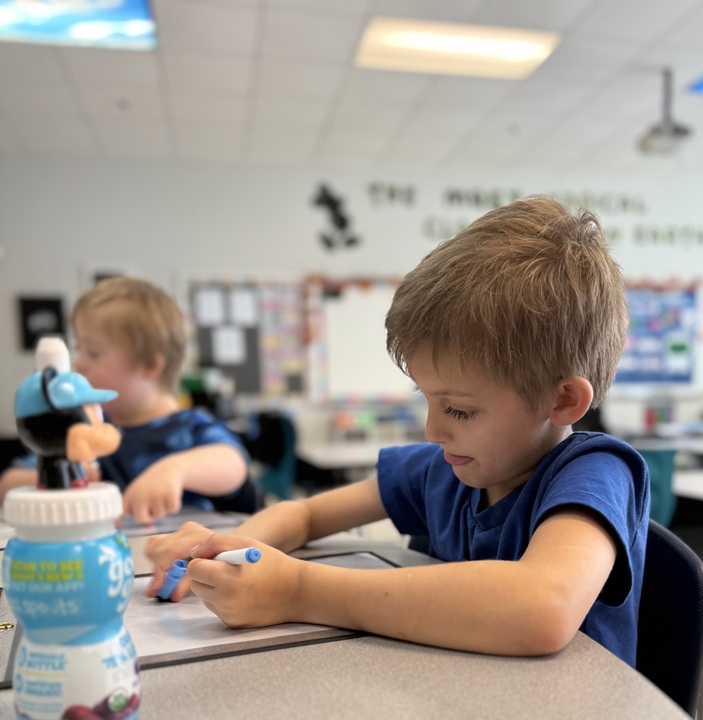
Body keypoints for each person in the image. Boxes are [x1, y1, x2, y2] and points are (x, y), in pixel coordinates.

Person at [145, 195, 650, 666]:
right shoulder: (447, 469)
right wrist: (226, 549)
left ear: (562, 401)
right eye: (427, 399)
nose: (433, 430)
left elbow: (543, 608)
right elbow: (302, 513)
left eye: (459, 410)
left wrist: (297, 590)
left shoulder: (596, 472)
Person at [0, 277, 253, 522]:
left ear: (150, 365)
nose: (78, 362)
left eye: (93, 352)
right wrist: (63, 475)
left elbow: (233, 465)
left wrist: (174, 470)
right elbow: (8, 484)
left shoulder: (190, 427)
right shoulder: (84, 431)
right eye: (79, 348)